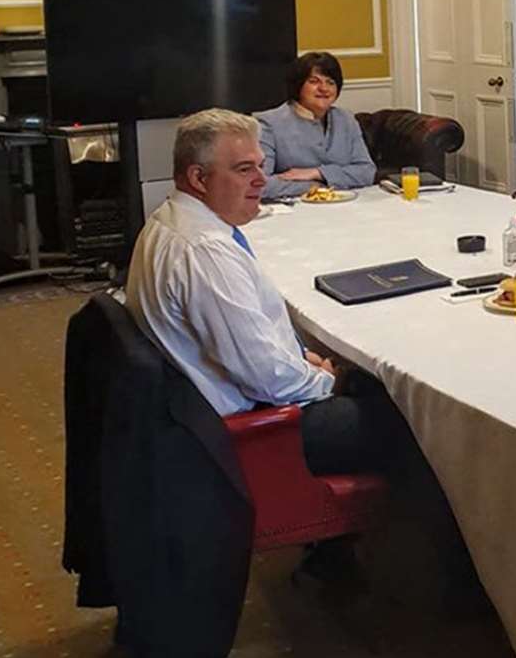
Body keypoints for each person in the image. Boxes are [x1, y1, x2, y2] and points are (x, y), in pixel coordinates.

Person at [125, 109, 400, 476]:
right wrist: (330, 379)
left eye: (261, 166)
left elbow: (252, 350)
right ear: (198, 177)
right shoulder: (205, 252)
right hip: (259, 430)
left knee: (373, 379)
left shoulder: (169, 219)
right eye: (243, 170)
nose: (261, 181)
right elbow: (265, 376)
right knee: (414, 418)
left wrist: (304, 359)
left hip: (216, 406)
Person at [255, 51, 376, 201]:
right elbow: (259, 184)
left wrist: (318, 173)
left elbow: (367, 172)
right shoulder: (269, 124)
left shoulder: (346, 119)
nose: (324, 88)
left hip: (346, 208)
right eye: (314, 81)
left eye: (330, 82)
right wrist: (317, 187)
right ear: (298, 86)